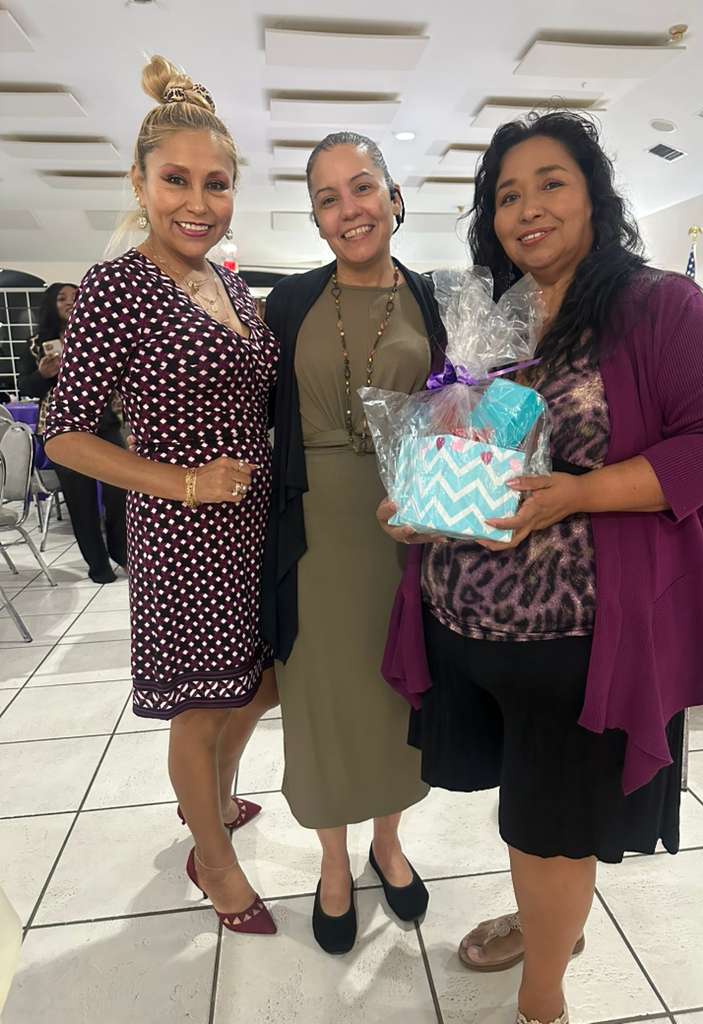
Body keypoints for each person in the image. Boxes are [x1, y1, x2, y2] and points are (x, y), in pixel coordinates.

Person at [377, 111, 703, 1024]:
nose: (529, 208)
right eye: (507, 195)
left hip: (578, 644)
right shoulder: (490, 318)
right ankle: (547, 920)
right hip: (466, 626)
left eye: (551, 183)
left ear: (594, 194)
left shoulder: (656, 306)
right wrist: (417, 498)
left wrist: (579, 495)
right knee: (530, 814)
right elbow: (467, 443)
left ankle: (542, 1000)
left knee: (550, 825)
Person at [45, 55, 280, 936]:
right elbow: (63, 431)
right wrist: (185, 482)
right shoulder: (118, 285)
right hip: (183, 533)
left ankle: (209, 798)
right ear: (139, 184)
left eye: (216, 183)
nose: (198, 201)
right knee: (202, 702)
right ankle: (212, 858)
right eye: (176, 179)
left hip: (253, 523)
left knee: (259, 684)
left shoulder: (230, 284)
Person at [262, 132, 444, 953]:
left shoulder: (434, 299)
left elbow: (454, 411)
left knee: (397, 696)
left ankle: (388, 844)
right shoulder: (289, 303)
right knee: (321, 703)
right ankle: (333, 860)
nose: (350, 209)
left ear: (394, 198)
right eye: (327, 199)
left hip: (405, 535)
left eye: (363, 187)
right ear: (316, 220)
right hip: (311, 541)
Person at [18, 282, 128, 583]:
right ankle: (98, 565)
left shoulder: (97, 337)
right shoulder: (35, 343)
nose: (70, 302)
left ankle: (121, 551)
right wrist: (42, 374)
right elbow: (26, 387)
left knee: (120, 492)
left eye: (76, 296)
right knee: (81, 502)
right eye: (62, 298)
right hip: (63, 429)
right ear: (50, 305)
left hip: (105, 424)